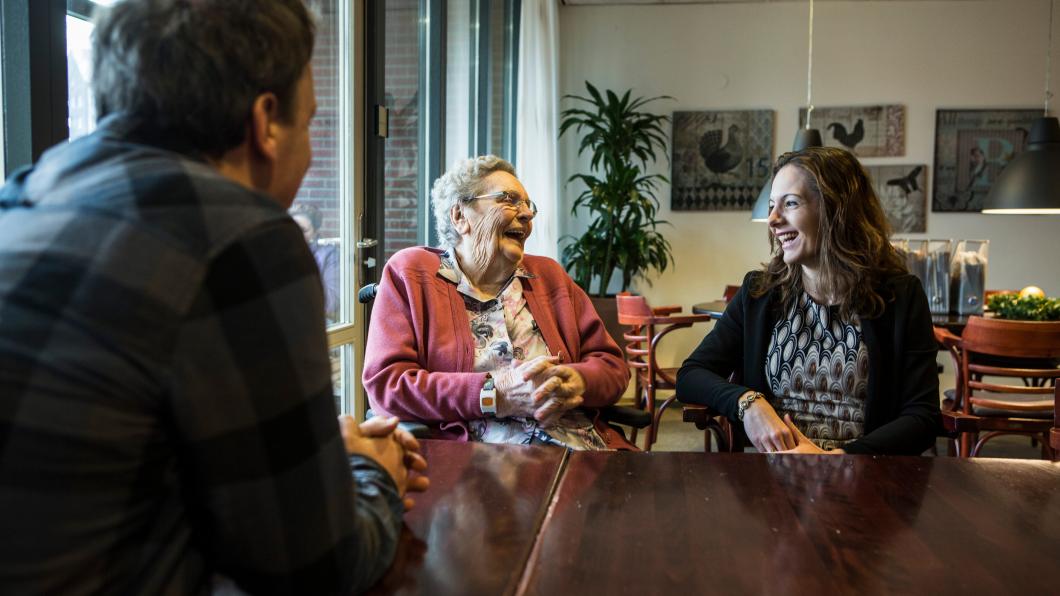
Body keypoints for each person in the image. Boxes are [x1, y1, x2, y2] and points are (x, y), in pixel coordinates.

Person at [0, 1, 426, 593]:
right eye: (309, 123)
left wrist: (315, 453)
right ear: (266, 121)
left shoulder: (25, 197)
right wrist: (369, 472)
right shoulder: (241, 237)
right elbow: (315, 566)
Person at [676, 147, 940, 455]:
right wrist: (748, 403)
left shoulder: (901, 296)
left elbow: (923, 418)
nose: (773, 219)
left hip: (862, 472)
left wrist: (838, 460)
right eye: (772, 206)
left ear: (836, 209)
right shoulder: (759, 292)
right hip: (772, 474)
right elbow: (690, 375)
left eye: (790, 203)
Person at [363, 156, 631, 450]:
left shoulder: (549, 276)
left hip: (581, 447)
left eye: (528, 205)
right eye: (508, 200)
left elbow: (613, 367)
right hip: (479, 460)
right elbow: (387, 385)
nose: (526, 214)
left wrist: (577, 380)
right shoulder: (411, 275)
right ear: (460, 216)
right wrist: (494, 394)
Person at [290, 202, 340, 322]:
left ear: (315, 232)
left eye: (303, 230)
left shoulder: (330, 255)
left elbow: (331, 302)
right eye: (293, 229)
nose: (296, 234)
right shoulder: (279, 251)